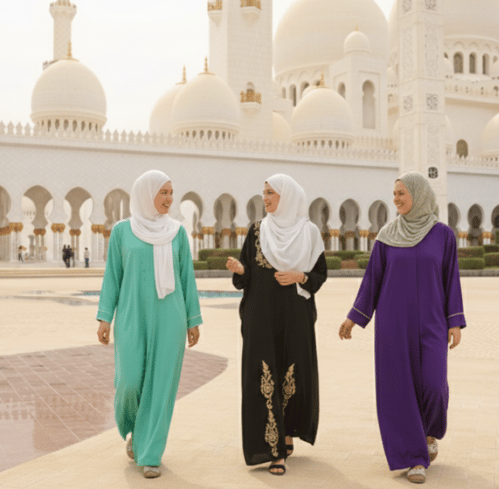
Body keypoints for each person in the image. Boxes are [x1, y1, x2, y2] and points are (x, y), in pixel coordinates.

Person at [339, 171, 466, 484]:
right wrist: (354, 317)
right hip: (394, 325)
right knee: (400, 390)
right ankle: (414, 458)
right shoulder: (387, 236)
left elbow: (451, 278)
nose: (395, 199)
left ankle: (430, 433)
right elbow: (373, 281)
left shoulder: (443, 235)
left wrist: (455, 321)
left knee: (434, 385)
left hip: (433, 322)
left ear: (418, 195)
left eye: (401, 194)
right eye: (394, 194)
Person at [95, 169, 202, 479]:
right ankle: (133, 431)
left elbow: (187, 279)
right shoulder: (122, 231)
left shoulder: (178, 232)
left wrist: (192, 320)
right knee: (128, 382)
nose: (169, 198)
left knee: (160, 386)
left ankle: (150, 452)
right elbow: (112, 276)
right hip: (131, 315)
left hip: (170, 317)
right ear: (146, 194)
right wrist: (104, 316)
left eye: (171, 192)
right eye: (163, 192)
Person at [226, 174, 327, 476]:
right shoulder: (257, 232)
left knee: (291, 374)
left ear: (288, 197)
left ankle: (287, 432)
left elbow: (319, 275)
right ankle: (275, 450)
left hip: (295, 317)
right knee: (263, 375)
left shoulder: (309, 233)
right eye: (264, 193)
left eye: (272, 193)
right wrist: (241, 269)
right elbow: (248, 275)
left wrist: (300, 276)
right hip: (261, 317)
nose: (266, 199)